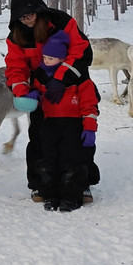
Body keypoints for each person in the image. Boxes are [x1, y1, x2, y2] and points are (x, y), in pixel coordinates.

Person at [4, 0, 98, 204]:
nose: (26, 20)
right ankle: (42, 184)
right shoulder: (16, 36)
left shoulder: (62, 23)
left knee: (76, 143)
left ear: (39, 10)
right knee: (40, 140)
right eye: (21, 17)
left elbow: (82, 52)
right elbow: (15, 67)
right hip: (43, 97)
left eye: (30, 14)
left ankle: (81, 184)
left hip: (73, 90)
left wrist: (61, 78)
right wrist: (23, 92)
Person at [28, 29, 99, 211]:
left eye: (50, 59)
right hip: (50, 125)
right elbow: (37, 91)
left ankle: (72, 197)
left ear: (61, 59)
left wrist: (89, 128)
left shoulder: (79, 79)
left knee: (72, 162)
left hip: (73, 126)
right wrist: (34, 94)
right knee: (50, 161)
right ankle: (51, 195)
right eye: (44, 57)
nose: (46, 61)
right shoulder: (42, 77)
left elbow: (90, 105)